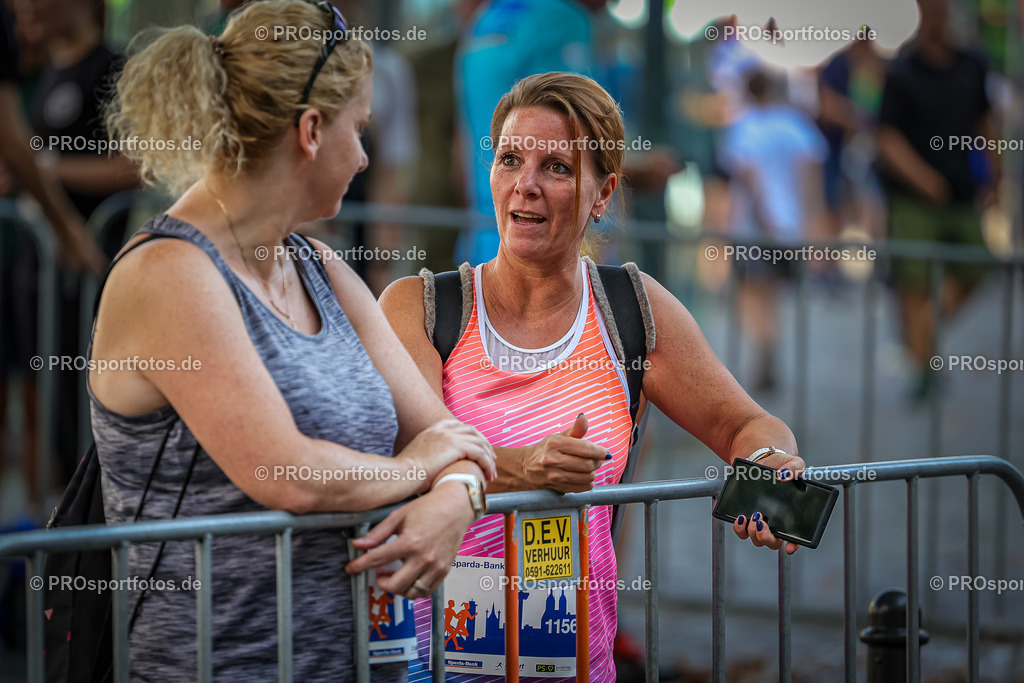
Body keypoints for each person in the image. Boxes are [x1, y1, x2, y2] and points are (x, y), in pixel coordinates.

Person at [92, 1, 496, 679]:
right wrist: (420, 472)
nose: (365, 157)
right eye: (358, 129)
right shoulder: (169, 273)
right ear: (310, 130)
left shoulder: (318, 265)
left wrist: (456, 500)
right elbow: (291, 475)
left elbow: (453, 437)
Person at [381, 72, 805, 682]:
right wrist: (526, 468)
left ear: (601, 193)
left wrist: (769, 462)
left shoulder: (631, 310)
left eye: (556, 166)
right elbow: (408, 458)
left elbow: (743, 423)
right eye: (509, 159)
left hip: (577, 666)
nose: (525, 185)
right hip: (431, 665)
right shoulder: (420, 309)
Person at [876, 0, 999, 400]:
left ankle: (920, 337)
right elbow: (887, 137)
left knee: (976, 268)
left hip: (961, 193)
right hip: (914, 198)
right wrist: (923, 178)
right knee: (914, 284)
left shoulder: (971, 64)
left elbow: (986, 123)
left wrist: (995, 176)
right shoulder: (902, 69)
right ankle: (924, 367)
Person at [717, 69, 827, 391]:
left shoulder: (744, 127)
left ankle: (762, 348)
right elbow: (811, 175)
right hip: (791, 226)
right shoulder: (796, 126)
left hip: (755, 228)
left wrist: (765, 216)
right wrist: (808, 220)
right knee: (773, 295)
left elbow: (747, 176)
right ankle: (769, 347)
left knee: (754, 294)